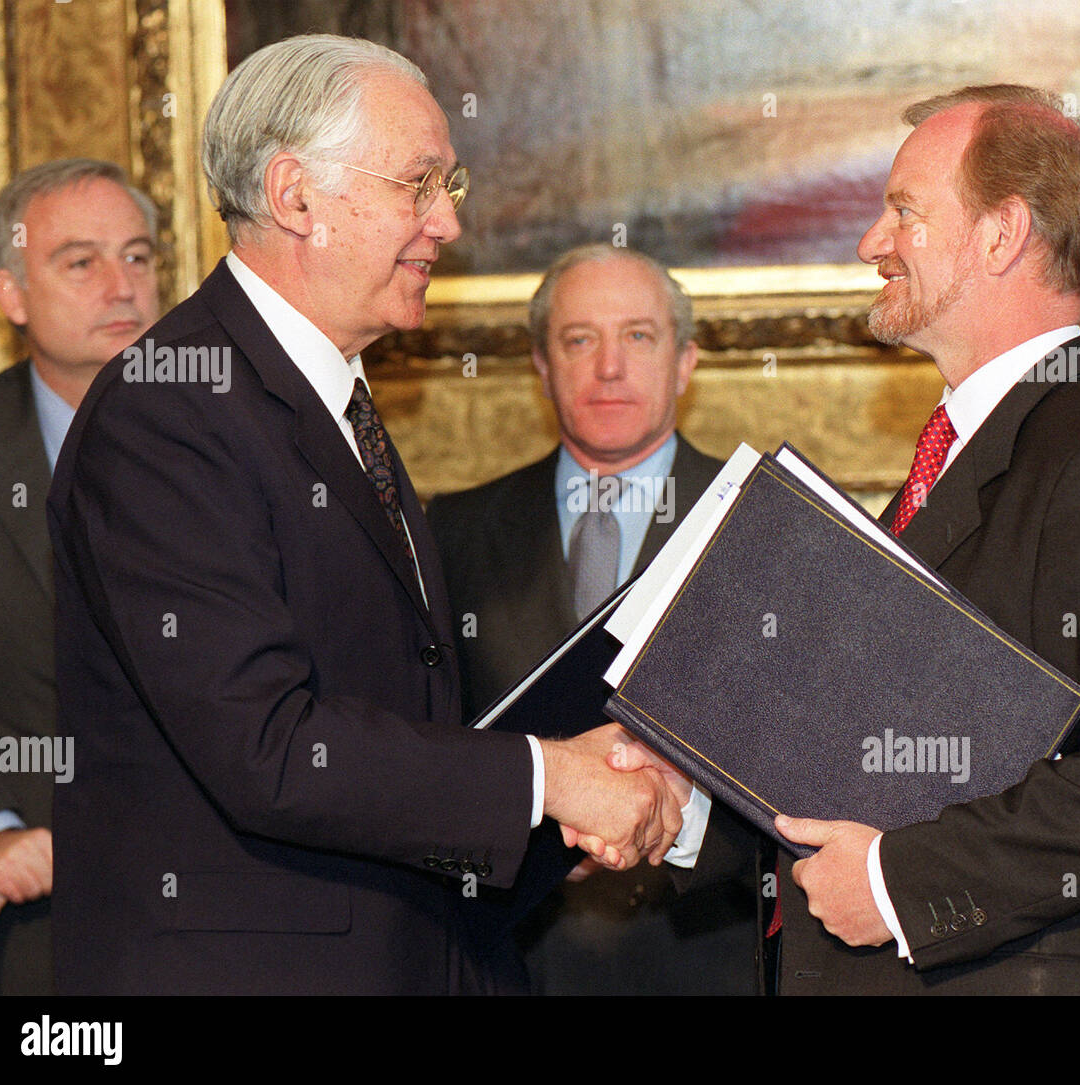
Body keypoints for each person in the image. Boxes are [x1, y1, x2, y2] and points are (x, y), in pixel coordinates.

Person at [47, 34, 684, 995]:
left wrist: (552, 801)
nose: (447, 226)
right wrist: (546, 779)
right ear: (296, 194)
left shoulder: (329, 397)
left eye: (449, 187)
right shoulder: (165, 411)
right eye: (419, 184)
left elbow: (386, 702)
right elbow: (268, 745)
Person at [625, 84, 1080, 995]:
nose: (872, 242)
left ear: (1001, 234)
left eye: (903, 210)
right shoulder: (968, 451)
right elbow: (870, 741)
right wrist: (678, 798)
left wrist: (898, 884)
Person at [429, 244, 756, 995]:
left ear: (685, 361)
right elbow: (432, 735)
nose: (609, 366)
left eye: (638, 336)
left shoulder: (759, 522)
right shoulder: (455, 529)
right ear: (542, 366)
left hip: (711, 955)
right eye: (580, 340)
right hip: (512, 956)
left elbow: (810, 755)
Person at [0, 158, 159, 994]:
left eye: (139, 256)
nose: (121, 287)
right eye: (81, 262)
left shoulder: (250, 441)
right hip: (46, 929)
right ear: (10, 295)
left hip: (243, 919)